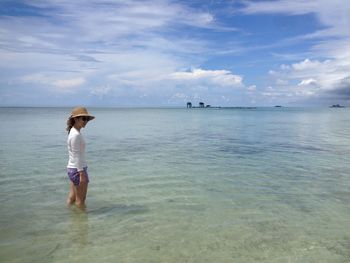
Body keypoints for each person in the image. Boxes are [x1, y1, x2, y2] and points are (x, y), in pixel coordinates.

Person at [66, 107, 95, 209]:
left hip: (73, 169)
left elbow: (75, 154)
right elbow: (77, 155)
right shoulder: (75, 135)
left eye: (87, 119)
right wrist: (82, 173)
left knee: (72, 198)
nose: (86, 121)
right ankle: (81, 223)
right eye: (83, 118)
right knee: (80, 201)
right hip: (78, 170)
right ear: (76, 119)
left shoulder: (73, 132)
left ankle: (69, 217)